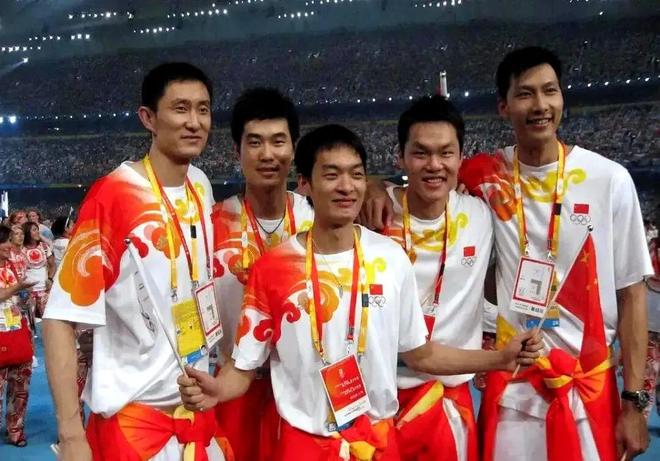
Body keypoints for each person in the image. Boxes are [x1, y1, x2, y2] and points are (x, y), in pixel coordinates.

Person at [178, 124, 542, 460]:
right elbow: (243, 368)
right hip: (304, 445)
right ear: (304, 183)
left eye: (355, 174)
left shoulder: (391, 258)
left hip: (376, 443)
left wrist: (499, 359)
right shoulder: (272, 269)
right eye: (331, 175)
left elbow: (422, 355)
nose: (346, 186)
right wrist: (217, 390)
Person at [457, 47, 653, 461]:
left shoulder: (609, 180)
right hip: (514, 392)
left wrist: (634, 402)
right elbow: (423, 177)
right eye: (525, 93)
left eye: (550, 91)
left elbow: (632, 294)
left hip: (586, 389)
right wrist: (376, 188)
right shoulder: (484, 175)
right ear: (503, 106)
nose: (541, 105)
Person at [42, 62, 226, 461]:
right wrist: (71, 434)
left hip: (194, 417)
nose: (194, 122)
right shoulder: (114, 195)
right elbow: (59, 318)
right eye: (180, 108)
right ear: (148, 118)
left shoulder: (200, 186)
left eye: (203, 109)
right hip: (135, 426)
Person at [381, 95, 494, 461]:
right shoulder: (372, 214)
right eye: (420, 153)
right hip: (378, 403)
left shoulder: (482, 215)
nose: (434, 165)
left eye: (446, 153)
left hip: (448, 405)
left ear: (461, 158)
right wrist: (371, 183)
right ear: (400, 157)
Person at [211, 87, 314, 461]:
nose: (267, 154)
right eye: (254, 142)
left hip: (305, 393)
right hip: (234, 389)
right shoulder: (211, 224)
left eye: (278, 141)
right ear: (236, 151)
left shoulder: (319, 221)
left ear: (294, 148)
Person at [0, 225, 37, 447]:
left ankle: (15, 429)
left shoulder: (13, 265)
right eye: (4, 242)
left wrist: (24, 295)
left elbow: (18, 299)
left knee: (20, 388)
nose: (9, 246)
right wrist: (17, 287)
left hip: (17, 332)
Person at [22, 221, 55, 320]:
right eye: (34, 230)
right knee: (30, 321)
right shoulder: (20, 250)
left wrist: (50, 279)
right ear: (27, 233)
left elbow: (52, 265)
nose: (37, 232)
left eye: (37, 229)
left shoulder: (44, 247)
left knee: (47, 319)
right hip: (28, 293)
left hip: (44, 291)